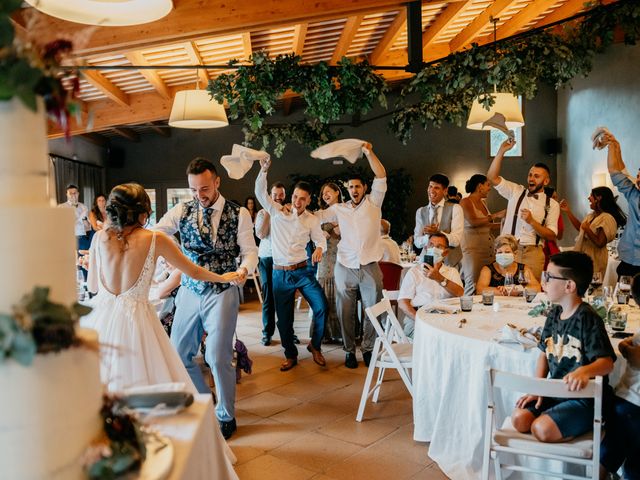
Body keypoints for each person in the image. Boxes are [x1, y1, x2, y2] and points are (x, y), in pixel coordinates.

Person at [82, 183, 239, 395]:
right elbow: (193, 271)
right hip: (136, 321)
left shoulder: (99, 238)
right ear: (143, 211)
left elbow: (92, 286)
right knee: (146, 382)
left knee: (102, 385)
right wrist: (221, 277)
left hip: (100, 319)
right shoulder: (155, 239)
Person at [154, 157, 258, 440]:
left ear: (217, 183)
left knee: (217, 354)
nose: (199, 195)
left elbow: (250, 250)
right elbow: (157, 233)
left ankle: (226, 414)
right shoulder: (181, 210)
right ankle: (204, 399)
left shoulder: (239, 214)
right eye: (194, 189)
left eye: (204, 189)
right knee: (178, 351)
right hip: (189, 288)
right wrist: (174, 255)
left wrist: (244, 269)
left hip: (223, 288)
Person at [511, 251, 615, 443]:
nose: (544, 282)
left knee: (540, 428)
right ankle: (556, 420)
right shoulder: (554, 314)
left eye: (549, 277)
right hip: (554, 391)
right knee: (519, 419)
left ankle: (576, 428)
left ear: (569, 286)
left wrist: (585, 371)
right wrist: (538, 388)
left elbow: (607, 362)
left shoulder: (588, 318)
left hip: (584, 399)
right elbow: (544, 352)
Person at [317, 142, 386, 369]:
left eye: (357, 186)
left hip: (369, 266)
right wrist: (329, 230)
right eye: (350, 187)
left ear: (364, 188)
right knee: (345, 311)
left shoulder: (374, 203)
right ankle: (348, 351)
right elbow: (316, 220)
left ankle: (367, 348)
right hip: (344, 266)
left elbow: (381, 174)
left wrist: (368, 151)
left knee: (372, 310)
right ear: (347, 190)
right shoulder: (340, 209)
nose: (354, 190)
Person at [255, 158, 328, 371]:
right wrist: (264, 169)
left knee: (321, 306)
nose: (297, 201)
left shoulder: (312, 220)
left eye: (302, 199)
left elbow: (320, 239)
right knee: (284, 321)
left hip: (303, 271)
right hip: (279, 274)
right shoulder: (277, 211)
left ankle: (315, 346)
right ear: (291, 195)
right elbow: (260, 192)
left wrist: (319, 248)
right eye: (295, 196)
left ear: (308, 200)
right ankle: (290, 355)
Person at [487, 139, 560, 281]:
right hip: (508, 250)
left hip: (533, 252)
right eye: (530, 175)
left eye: (536, 176)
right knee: (506, 287)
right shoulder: (516, 191)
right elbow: (492, 177)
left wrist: (532, 221)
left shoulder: (552, 204)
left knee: (532, 291)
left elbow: (551, 235)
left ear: (546, 181)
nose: (531, 178)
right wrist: (501, 151)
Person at [600, 274, 640, 480]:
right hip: (630, 403)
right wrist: (627, 346)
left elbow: (634, 355)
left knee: (607, 455)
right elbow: (629, 343)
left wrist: (628, 349)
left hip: (632, 404)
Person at [398, 233, 463, 338]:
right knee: (437, 338)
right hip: (418, 319)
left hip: (446, 319)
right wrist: (419, 319)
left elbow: (460, 293)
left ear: (445, 252)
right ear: (426, 248)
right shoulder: (415, 272)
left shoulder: (452, 272)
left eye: (439, 247)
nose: (434, 248)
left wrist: (440, 278)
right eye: (431, 245)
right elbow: (402, 303)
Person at [559, 186, 626, 276]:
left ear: (598, 198)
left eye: (591, 195)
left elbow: (600, 243)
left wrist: (587, 229)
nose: (588, 198)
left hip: (595, 260)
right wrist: (568, 211)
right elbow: (581, 228)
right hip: (584, 258)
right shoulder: (591, 215)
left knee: (593, 288)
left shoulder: (607, 218)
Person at [459, 174, 504, 295]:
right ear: (480, 186)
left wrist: (505, 224)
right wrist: (496, 215)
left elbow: (486, 225)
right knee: (472, 283)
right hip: (473, 250)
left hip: (488, 249)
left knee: (487, 283)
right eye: (488, 185)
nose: (490, 188)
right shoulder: (465, 201)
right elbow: (473, 222)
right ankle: (467, 310)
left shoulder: (483, 203)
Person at [603, 132, 640, 278]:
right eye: (638, 176)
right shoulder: (634, 195)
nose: (638, 180)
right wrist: (612, 146)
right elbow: (615, 171)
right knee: (622, 300)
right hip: (628, 261)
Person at [254, 182, 286, 346]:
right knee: (268, 298)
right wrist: (268, 210)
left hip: (284, 260)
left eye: (281, 195)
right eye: (275, 195)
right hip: (267, 259)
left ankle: (287, 333)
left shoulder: (287, 212)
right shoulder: (261, 213)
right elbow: (261, 233)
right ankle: (267, 333)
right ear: (269, 197)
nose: (278, 198)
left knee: (284, 299)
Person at [313, 182, 343, 344]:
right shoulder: (319, 214)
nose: (325, 195)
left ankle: (340, 332)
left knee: (339, 292)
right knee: (323, 292)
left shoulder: (345, 209)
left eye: (328, 191)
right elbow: (315, 234)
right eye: (323, 193)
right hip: (324, 259)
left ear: (337, 192)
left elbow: (342, 231)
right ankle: (324, 332)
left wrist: (331, 228)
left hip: (340, 256)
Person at [414, 173, 463, 268]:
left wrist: (438, 232)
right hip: (426, 262)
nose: (431, 190)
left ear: (445, 191)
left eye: (436, 188)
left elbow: (456, 240)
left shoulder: (456, 208)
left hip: (450, 263)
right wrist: (428, 237)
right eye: (430, 186)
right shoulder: (420, 211)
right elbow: (417, 241)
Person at [476, 234, 541, 295]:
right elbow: (480, 290)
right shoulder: (488, 269)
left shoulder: (523, 269)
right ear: (495, 253)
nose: (503, 255)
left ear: (515, 253)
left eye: (507, 252)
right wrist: (506, 291)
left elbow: (537, 288)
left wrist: (518, 289)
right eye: (500, 252)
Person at [58, 183, 91, 251]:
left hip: (82, 239)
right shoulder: (61, 207)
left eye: (75, 193)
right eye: (70, 193)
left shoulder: (84, 207)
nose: (73, 195)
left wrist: (84, 220)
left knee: (83, 260)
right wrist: (80, 217)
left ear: (78, 193)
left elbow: (87, 227)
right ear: (66, 194)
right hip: (68, 239)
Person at [542, 187, 564, 269]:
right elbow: (560, 235)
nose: (557, 200)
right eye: (554, 197)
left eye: (556, 197)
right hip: (549, 249)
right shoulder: (556, 213)